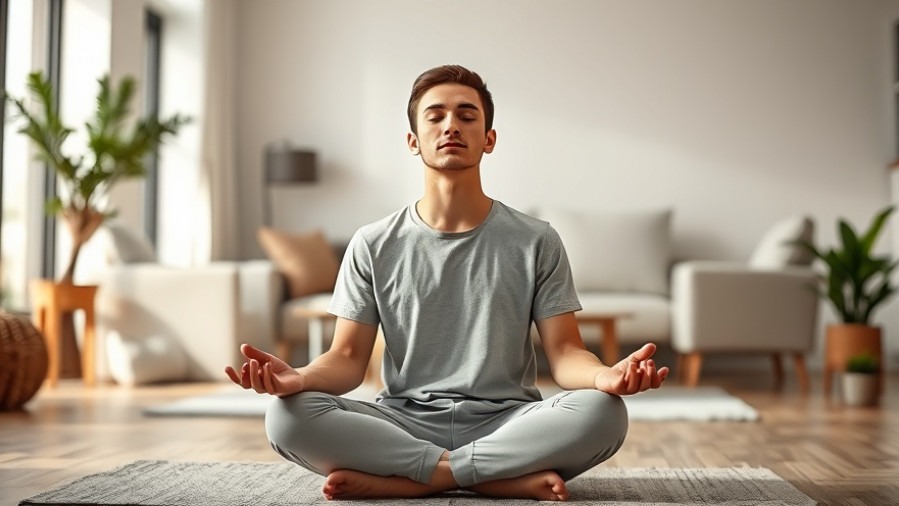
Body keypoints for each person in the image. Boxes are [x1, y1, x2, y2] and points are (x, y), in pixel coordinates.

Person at [226, 64, 669, 502]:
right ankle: (490, 477)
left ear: (489, 138)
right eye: (435, 116)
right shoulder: (372, 243)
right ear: (413, 141)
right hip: (402, 422)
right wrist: (298, 379)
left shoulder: (537, 240)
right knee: (287, 417)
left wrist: (604, 377)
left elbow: (566, 353)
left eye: (467, 115)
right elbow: (345, 359)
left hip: (509, 422)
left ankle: (417, 478)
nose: (451, 126)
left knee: (602, 412)